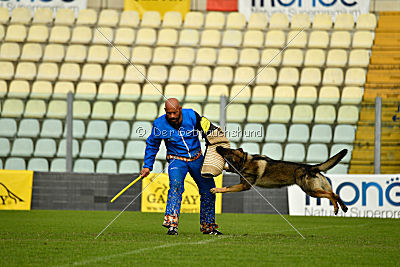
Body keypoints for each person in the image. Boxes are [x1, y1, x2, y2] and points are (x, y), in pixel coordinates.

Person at [140, 98, 223, 235]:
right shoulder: (159, 124)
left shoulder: (192, 115)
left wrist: (214, 141)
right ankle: (172, 224)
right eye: (169, 113)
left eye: (175, 112)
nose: (172, 116)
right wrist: (148, 165)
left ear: (180, 109)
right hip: (176, 160)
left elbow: (207, 128)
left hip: (197, 158)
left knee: (209, 190)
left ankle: (208, 227)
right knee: (176, 186)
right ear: (165, 111)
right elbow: (152, 145)